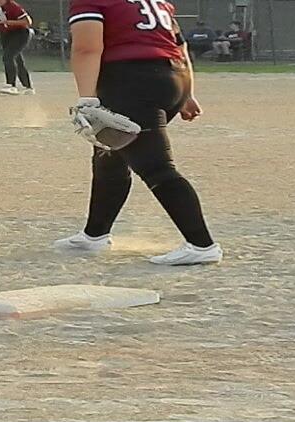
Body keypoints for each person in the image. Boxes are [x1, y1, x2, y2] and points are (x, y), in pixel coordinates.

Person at [56, 0, 222, 266]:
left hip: (133, 82)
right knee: (110, 156)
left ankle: (202, 244)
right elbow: (180, 46)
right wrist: (188, 93)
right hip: (171, 76)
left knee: (156, 167)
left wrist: (86, 99)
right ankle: (95, 234)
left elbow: (88, 47)